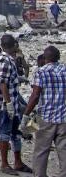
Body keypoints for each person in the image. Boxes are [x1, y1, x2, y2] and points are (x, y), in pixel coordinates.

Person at [0, 35, 33, 175]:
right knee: (5, 133)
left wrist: (19, 79)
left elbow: (7, 79)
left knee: (16, 133)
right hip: (6, 105)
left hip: (12, 102)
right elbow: (3, 83)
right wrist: (9, 103)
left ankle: (17, 162)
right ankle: (4, 164)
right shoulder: (5, 60)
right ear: (14, 45)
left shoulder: (6, 59)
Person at [23, 46, 66, 177]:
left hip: (45, 118)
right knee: (64, 151)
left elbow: (35, 96)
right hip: (64, 118)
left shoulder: (41, 72)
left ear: (45, 58)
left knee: (41, 151)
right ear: (58, 57)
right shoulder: (65, 70)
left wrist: (25, 115)